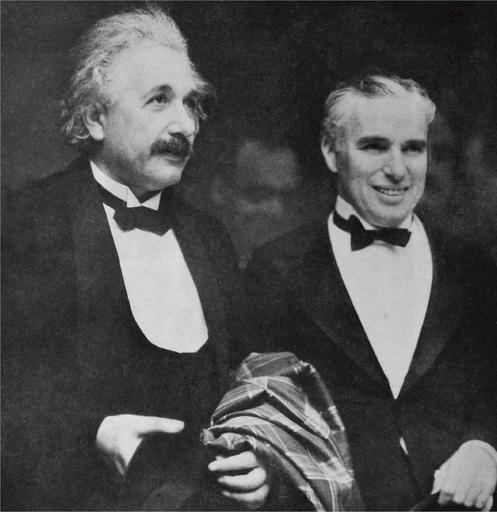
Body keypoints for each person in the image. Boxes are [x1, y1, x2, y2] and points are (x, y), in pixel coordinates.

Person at [2, 6, 269, 510]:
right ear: (94, 118)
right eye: (159, 100)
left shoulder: (211, 239)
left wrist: (258, 458)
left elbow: (248, 388)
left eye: (191, 103)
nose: (185, 125)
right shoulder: (23, 225)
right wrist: (94, 434)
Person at [245, 74, 497, 511]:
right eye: (374, 147)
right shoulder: (276, 269)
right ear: (331, 151)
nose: (398, 169)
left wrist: (486, 448)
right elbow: (258, 413)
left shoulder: (471, 266)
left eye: (413, 148)